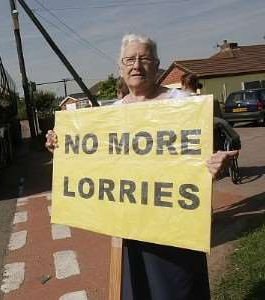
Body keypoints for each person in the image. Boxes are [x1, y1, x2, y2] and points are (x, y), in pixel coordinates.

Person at [45, 33, 239, 299]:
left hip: (175, 228)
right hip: (130, 227)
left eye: (144, 58)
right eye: (129, 59)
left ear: (157, 65)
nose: (136, 65)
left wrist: (217, 163)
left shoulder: (182, 104)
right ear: (121, 67)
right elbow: (95, 163)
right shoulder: (110, 113)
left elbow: (209, 153)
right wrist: (61, 145)